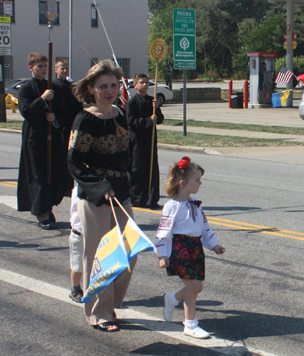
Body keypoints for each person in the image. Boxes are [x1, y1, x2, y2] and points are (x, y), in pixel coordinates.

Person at [68, 60, 136, 332]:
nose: (110, 90)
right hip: (95, 195)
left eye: (114, 85)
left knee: (130, 250)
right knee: (99, 254)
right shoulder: (86, 119)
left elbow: (125, 153)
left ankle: (112, 303)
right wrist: (100, 185)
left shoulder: (119, 113)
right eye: (103, 86)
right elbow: (74, 162)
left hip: (121, 192)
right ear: (91, 89)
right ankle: (100, 311)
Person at [156, 157, 225, 339]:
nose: (200, 183)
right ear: (182, 183)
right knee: (193, 287)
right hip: (180, 249)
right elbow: (163, 232)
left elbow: (204, 227)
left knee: (197, 287)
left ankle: (173, 298)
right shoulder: (172, 206)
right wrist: (162, 254)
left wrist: (213, 245)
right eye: (197, 180)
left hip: (195, 248)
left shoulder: (195, 204)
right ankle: (190, 324)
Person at [17, 53, 68, 230]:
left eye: (45, 66)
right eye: (39, 66)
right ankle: (41, 212)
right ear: (31, 68)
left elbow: (64, 112)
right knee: (39, 174)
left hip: (52, 137)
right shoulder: (25, 88)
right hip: (35, 136)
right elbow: (26, 111)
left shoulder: (55, 88)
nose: (43, 69)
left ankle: (48, 206)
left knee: (53, 173)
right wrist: (42, 100)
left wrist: (56, 118)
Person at [126, 73, 164, 209]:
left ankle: (151, 199)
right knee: (138, 169)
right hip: (137, 141)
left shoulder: (152, 101)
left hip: (150, 140)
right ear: (135, 85)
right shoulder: (132, 103)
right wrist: (148, 121)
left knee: (152, 169)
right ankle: (137, 198)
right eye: (141, 82)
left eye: (147, 83)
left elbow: (159, 119)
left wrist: (157, 107)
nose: (145, 85)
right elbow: (130, 122)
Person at [53, 59, 84, 195]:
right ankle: (59, 185)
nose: (64, 71)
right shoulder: (54, 85)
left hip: (72, 124)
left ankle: (69, 185)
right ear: (56, 70)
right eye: (62, 69)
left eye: (66, 68)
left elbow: (78, 104)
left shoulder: (72, 86)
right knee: (60, 156)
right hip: (60, 126)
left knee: (71, 155)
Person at [69, 185, 83, 303]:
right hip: (79, 233)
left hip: (95, 234)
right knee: (78, 266)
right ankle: (75, 289)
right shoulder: (79, 189)